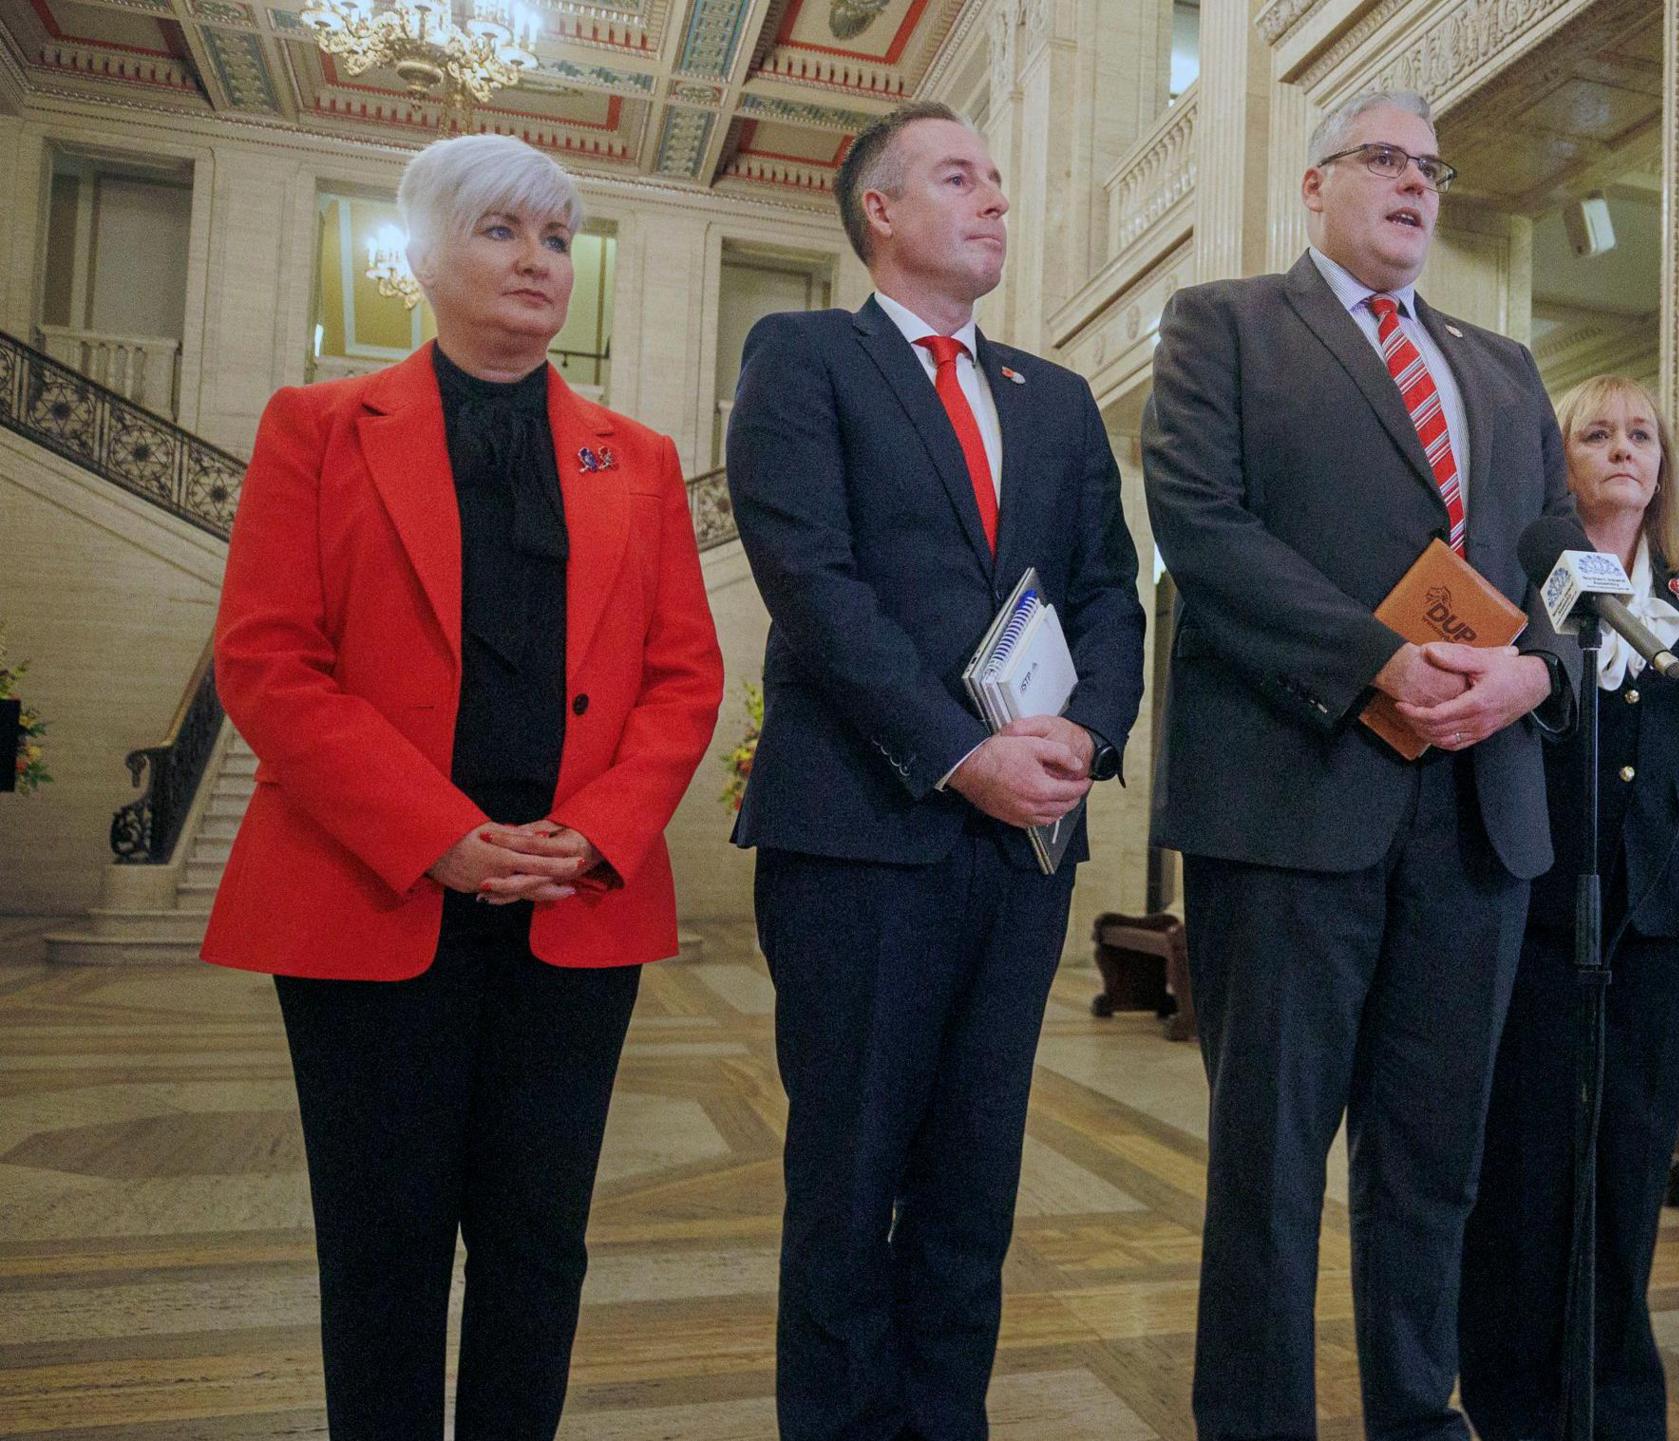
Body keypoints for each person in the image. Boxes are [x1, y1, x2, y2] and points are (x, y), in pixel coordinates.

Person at [203, 133, 723, 1439]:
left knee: (541, 1246)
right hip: (372, 896)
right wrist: (435, 833)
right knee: (382, 1252)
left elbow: (684, 677)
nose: (538, 261)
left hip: (572, 900)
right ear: (421, 258)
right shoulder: (316, 428)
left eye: (558, 238)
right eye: (501, 231)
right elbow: (268, 658)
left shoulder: (640, 459)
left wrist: (593, 833)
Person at [1143, 89, 1577, 1441]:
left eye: (1433, 167)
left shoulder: (1502, 365)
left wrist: (1535, 670)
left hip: (1475, 815)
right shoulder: (1225, 325)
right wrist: (1377, 660)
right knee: (1270, 1168)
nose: (1418, 184)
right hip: (1292, 799)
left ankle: (1415, 1414)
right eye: (1386, 160)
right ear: (1318, 184)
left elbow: (1569, 562)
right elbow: (1201, 531)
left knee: (1432, 1163)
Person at [724, 101, 1146, 1441]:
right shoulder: (803, 358)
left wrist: (1088, 729)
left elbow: (1108, 597)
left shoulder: (1061, 398)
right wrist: (961, 751)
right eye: (960, 178)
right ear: (881, 214)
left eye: (1001, 182)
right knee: (850, 1185)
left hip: (1022, 848)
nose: (996, 202)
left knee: (973, 1185)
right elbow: (813, 581)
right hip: (862, 832)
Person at [1455, 374, 1679, 1441]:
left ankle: (1618, 1407)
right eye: (1596, 433)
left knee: (1631, 1168)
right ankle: (1513, 1402)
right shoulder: (1514, 579)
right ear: (1559, 459)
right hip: (1537, 915)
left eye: (1641, 434)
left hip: (1661, 927)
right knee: (1526, 1170)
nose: (1623, 449)